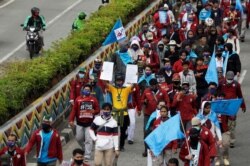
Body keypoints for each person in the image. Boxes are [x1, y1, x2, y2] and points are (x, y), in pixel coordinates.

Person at [69, 84, 100, 162]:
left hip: (89, 123)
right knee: (78, 138)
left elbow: (98, 109)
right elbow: (74, 110)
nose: (87, 91)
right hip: (79, 123)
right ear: (82, 90)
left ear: (90, 91)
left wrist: (95, 111)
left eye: (88, 90)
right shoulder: (78, 100)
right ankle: (84, 148)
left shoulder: (93, 100)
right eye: (85, 89)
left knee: (88, 140)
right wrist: (71, 120)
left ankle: (87, 155)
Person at [141, 78, 170, 157]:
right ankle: (146, 150)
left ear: (157, 84)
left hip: (160, 114)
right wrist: (144, 102)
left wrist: (165, 111)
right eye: (151, 85)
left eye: (154, 85)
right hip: (148, 115)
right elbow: (142, 100)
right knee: (146, 131)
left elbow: (167, 101)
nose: (153, 87)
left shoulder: (163, 91)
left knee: (160, 132)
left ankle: (160, 149)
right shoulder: (146, 91)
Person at [105, 73, 133, 151]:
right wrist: (104, 73)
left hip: (124, 113)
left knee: (123, 131)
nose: (119, 82)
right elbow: (105, 83)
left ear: (123, 81)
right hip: (115, 113)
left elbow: (133, 85)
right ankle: (113, 145)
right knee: (113, 131)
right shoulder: (113, 88)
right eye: (117, 81)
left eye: (120, 81)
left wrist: (134, 75)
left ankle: (121, 146)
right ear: (115, 81)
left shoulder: (126, 89)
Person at [218, 71, 246, 148]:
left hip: (232, 108)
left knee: (231, 124)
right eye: (228, 78)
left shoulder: (236, 84)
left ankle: (232, 140)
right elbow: (217, 93)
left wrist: (243, 106)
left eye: (231, 79)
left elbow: (240, 96)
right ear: (225, 77)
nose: (229, 80)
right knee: (223, 123)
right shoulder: (221, 83)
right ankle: (225, 139)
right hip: (223, 106)